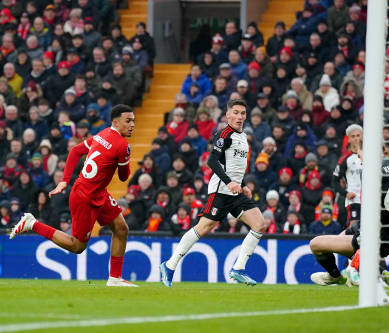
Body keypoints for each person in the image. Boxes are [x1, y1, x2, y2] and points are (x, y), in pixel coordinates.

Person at [9, 104, 137, 287]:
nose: (132, 124)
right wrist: (125, 160)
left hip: (96, 191)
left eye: (133, 121)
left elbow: (76, 151)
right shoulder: (122, 145)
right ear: (116, 122)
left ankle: (115, 279)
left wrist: (64, 180)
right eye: (128, 121)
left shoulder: (101, 135)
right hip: (85, 197)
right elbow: (124, 177)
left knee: (121, 229)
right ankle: (32, 224)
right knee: (77, 246)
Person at [160, 99, 266, 287]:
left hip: (236, 192)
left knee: (259, 224)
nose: (239, 116)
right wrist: (229, 182)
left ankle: (238, 269)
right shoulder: (224, 134)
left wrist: (242, 184)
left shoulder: (243, 137)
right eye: (235, 112)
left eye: (242, 113)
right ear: (227, 115)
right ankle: (169, 265)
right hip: (220, 191)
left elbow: (234, 166)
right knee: (204, 227)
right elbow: (212, 161)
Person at [309, 150, 389, 288]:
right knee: (342, 237)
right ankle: (381, 272)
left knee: (315, 244)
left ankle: (337, 276)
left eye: (360, 156)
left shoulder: (372, 174)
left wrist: (361, 250)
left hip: (376, 235)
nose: (360, 161)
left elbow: (376, 214)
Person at [332, 124, 362, 228]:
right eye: (353, 136)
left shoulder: (371, 156)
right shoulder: (345, 159)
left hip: (371, 198)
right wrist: (346, 193)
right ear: (349, 139)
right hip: (355, 199)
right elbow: (334, 181)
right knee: (354, 227)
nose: (356, 138)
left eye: (358, 135)